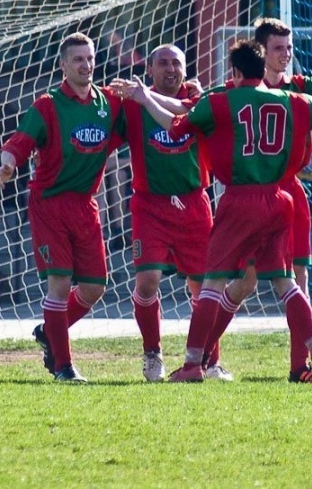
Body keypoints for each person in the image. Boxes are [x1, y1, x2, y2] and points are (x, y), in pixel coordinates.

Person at [120, 39, 312, 383]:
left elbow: (176, 123)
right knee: (286, 284)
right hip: (279, 199)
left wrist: (143, 98)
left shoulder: (219, 101)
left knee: (212, 284)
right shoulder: (295, 100)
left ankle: (192, 365)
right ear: (265, 69)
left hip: (239, 199)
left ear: (235, 72)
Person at [217, 17, 312, 384]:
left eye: (289, 48)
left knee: (298, 277)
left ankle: (300, 366)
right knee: (246, 282)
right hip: (251, 195)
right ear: (260, 52)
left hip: (291, 194)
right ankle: (206, 353)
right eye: (278, 49)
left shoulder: (299, 87)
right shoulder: (234, 89)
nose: (286, 55)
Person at [0, 32, 125, 383]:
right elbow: (19, 143)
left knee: (95, 287)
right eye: (78, 59)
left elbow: (137, 129)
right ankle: (64, 367)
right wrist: (8, 164)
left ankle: (50, 332)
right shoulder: (47, 105)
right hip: (49, 203)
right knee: (60, 282)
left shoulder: (109, 103)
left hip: (86, 204)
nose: (86, 65)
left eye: (90, 58)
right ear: (63, 66)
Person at [116, 44, 223, 382]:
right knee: (147, 281)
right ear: (149, 69)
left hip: (193, 204)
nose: (170, 69)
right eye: (162, 63)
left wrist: (144, 96)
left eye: (176, 63)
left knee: (203, 286)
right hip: (149, 205)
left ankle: (210, 360)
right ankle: (152, 353)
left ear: (185, 68)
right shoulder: (130, 103)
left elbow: (185, 116)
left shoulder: (196, 100)